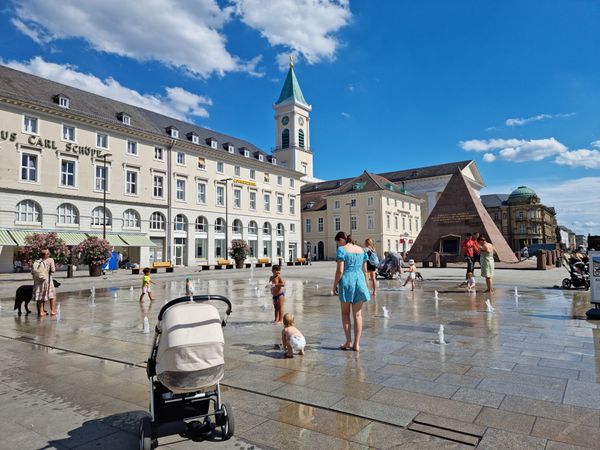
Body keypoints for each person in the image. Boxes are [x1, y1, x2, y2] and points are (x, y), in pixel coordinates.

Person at [332, 231, 370, 352]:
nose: (338, 245)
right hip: (360, 281)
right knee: (358, 314)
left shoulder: (342, 250)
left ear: (341, 240)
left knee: (345, 314)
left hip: (347, 281)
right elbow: (365, 271)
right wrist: (367, 285)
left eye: (338, 243)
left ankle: (348, 341)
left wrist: (334, 285)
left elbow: (340, 271)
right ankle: (356, 344)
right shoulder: (362, 250)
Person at [31, 249, 57, 316]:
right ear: (46, 254)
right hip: (47, 280)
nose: (49, 254)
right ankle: (53, 311)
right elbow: (53, 270)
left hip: (37, 281)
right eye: (48, 253)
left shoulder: (37, 261)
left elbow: (32, 271)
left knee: (40, 296)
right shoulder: (50, 260)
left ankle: (41, 312)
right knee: (52, 296)